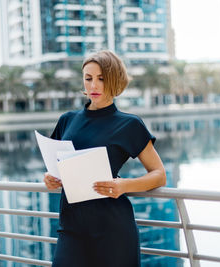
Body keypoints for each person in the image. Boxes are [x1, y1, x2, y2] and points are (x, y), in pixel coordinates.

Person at [44, 50, 166, 267]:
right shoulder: (67, 120)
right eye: (88, 78)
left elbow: (159, 175)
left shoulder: (129, 124)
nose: (93, 86)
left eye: (101, 79)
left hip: (113, 230)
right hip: (71, 228)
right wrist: (51, 178)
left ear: (114, 80)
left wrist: (124, 185)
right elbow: (57, 167)